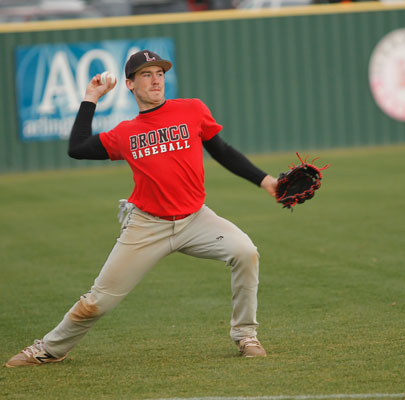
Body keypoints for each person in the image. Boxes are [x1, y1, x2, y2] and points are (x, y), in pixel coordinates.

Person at [6, 50, 278, 367]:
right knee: (97, 302)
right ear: (130, 84)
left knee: (246, 251)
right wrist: (91, 97)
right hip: (147, 225)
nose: (155, 80)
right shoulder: (125, 132)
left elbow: (222, 151)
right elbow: (77, 148)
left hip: (196, 219)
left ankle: (246, 336)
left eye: (159, 73)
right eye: (146, 74)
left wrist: (266, 181)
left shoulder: (191, 110)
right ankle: (49, 349)